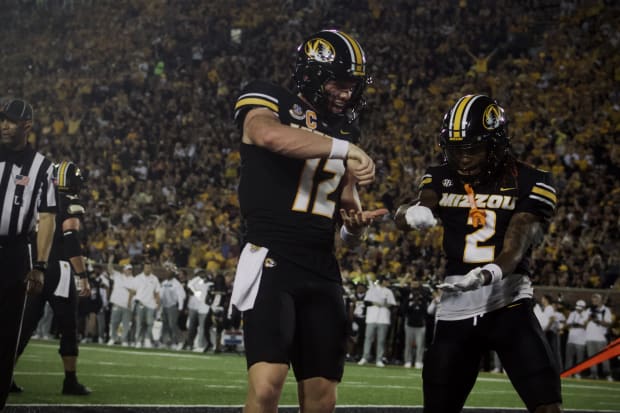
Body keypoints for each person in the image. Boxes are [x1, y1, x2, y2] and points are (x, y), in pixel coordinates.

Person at [230, 29, 386, 413]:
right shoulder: (269, 97)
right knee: (267, 387)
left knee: (322, 396)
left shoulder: (345, 129)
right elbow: (265, 134)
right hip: (272, 257)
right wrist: (343, 148)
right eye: (339, 82)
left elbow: (347, 206)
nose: (347, 93)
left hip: (322, 266)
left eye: (353, 85)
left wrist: (354, 228)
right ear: (312, 75)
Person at [395, 94, 562, 413]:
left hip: (508, 300)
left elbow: (516, 245)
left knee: (546, 404)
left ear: (496, 143)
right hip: (456, 307)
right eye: (455, 149)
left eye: (471, 149)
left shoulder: (532, 181)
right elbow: (413, 210)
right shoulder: (440, 176)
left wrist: (489, 273)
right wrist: (412, 213)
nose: (462, 159)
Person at [13, 160, 92, 395]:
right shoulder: (70, 202)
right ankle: (70, 381)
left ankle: (5, 376)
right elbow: (70, 241)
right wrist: (83, 276)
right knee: (68, 324)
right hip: (59, 269)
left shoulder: (37, 197)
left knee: (24, 326)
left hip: (34, 266)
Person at [0, 99, 57, 409]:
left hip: (14, 254)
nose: (5, 125)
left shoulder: (42, 167)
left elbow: (48, 216)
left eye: (11, 121)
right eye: (2, 120)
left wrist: (41, 265)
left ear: (27, 126)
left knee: (7, 337)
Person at [357, 276, 397, 367]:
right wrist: (375, 303)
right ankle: (364, 357)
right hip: (371, 318)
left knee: (381, 340)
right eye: (386, 281)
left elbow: (392, 304)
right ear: (383, 282)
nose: (388, 283)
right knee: (368, 339)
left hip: (383, 318)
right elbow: (366, 302)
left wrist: (385, 304)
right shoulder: (372, 289)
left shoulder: (388, 291)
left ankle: (379, 359)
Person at [400, 274, 432, 369]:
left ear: (419, 283)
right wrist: (406, 276)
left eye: (416, 282)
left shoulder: (424, 292)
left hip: (421, 322)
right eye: (413, 283)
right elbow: (401, 286)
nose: (414, 284)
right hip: (409, 321)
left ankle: (418, 361)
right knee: (408, 344)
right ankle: (408, 361)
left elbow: (429, 296)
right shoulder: (407, 291)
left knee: (420, 345)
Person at [106, 261, 137, 346]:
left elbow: (135, 292)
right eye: (128, 269)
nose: (129, 271)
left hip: (128, 305)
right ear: (124, 270)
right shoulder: (118, 275)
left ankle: (124, 340)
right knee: (114, 322)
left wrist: (129, 292)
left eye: (130, 270)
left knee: (126, 324)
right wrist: (110, 260)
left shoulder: (134, 279)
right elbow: (109, 269)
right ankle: (113, 338)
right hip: (117, 303)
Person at [585, 293, 613, 381]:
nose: (594, 301)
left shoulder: (606, 310)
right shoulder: (589, 310)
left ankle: (608, 374)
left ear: (600, 300)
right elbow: (584, 323)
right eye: (593, 300)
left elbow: (608, 323)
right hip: (590, 337)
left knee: (604, 358)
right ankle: (594, 374)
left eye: (596, 299)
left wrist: (598, 321)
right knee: (591, 358)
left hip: (600, 338)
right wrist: (589, 319)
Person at [132, 261, 161, 348]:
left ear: (151, 268)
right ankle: (138, 341)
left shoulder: (155, 279)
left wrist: (158, 303)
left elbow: (157, 292)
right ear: (143, 268)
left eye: (149, 267)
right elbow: (133, 291)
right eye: (146, 267)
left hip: (151, 304)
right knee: (139, 323)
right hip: (140, 303)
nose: (148, 269)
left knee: (150, 323)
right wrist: (135, 301)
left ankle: (147, 339)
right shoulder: (137, 278)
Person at [159, 263, 186, 350]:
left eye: (169, 271)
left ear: (173, 273)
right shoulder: (164, 283)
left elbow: (182, 296)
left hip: (172, 306)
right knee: (165, 325)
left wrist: (180, 307)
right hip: (164, 306)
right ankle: (165, 341)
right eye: (166, 271)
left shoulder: (176, 284)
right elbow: (160, 295)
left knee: (172, 324)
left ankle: (180, 341)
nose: (166, 273)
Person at [564, 299, 588, 378]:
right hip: (571, 339)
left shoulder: (587, 314)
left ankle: (578, 373)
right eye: (577, 307)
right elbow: (567, 324)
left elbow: (584, 326)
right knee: (569, 358)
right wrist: (576, 324)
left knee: (579, 359)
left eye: (580, 308)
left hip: (581, 341)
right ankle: (568, 373)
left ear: (584, 308)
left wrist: (575, 324)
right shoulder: (573, 313)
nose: (578, 309)